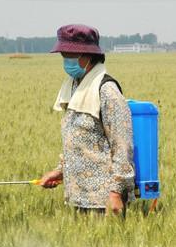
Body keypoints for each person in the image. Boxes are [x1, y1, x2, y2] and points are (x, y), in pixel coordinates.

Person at [39, 25, 136, 215]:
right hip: (78, 196)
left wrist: (116, 192)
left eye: (71, 54)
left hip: (103, 200)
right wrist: (61, 171)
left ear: (88, 55)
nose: (66, 60)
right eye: (64, 55)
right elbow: (79, 141)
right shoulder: (73, 86)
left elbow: (122, 145)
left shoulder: (106, 90)